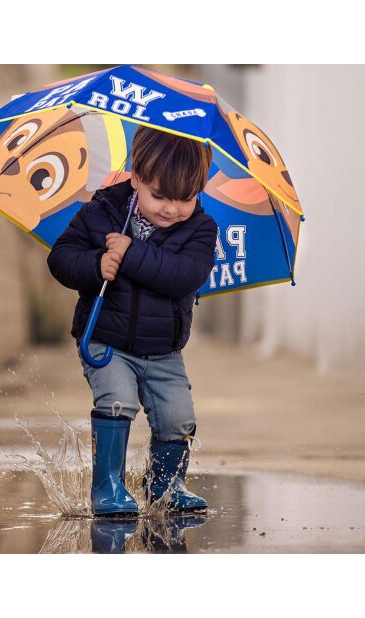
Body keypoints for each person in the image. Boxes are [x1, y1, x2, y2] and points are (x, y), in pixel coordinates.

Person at [47, 125, 217, 517]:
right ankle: (108, 487)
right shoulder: (100, 212)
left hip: (163, 350)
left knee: (178, 416)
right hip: (106, 339)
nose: (172, 209)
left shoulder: (200, 230)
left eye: (185, 198)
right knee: (117, 400)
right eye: (159, 196)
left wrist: (131, 253)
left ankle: (167, 486)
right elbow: (60, 258)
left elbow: (184, 276)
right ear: (136, 177)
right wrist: (95, 264)